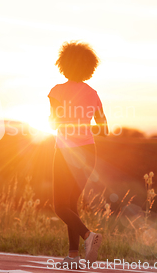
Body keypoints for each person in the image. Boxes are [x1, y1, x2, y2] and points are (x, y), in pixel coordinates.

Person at [48, 41, 108, 269]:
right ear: (89, 68)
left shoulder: (56, 91)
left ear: (63, 64)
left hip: (65, 152)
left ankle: (88, 236)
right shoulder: (93, 94)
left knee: (59, 206)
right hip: (87, 152)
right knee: (71, 204)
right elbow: (104, 129)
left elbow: (53, 124)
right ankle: (73, 257)